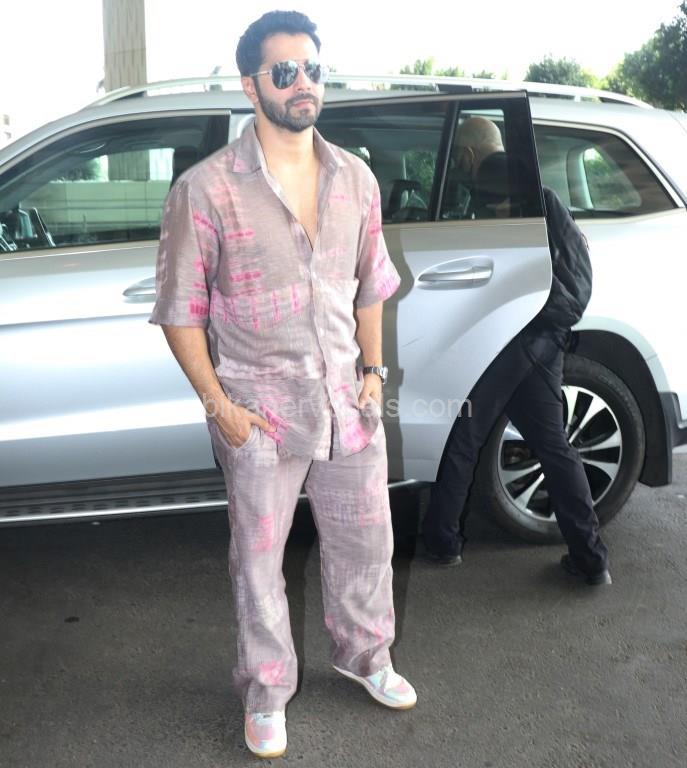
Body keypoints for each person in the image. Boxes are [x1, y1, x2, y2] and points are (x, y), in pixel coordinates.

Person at [149, 10, 416, 760]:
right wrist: (222, 409)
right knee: (260, 563)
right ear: (251, 85)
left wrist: (373, 376)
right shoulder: (206, 189)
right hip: (258, 411)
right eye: (285, 71)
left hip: (348, 403)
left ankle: (366, 655)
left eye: (313, 69)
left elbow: (371, 287)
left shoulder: (355, 178)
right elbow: (180, 311)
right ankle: (266, 692)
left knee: (367, 542)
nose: (304, 84)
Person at [422, 117, 612, 587]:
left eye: (459, 158)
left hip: (510, 336)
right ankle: (591, 560)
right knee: (554, 446)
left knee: (465, 433)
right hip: (545, 335)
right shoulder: (539, 193)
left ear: (468, 155)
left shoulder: (490, 193)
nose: (459, 166)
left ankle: (443, 542)